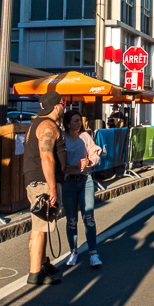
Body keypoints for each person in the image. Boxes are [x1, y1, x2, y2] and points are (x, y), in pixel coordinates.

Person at [23, 91, 67, 285]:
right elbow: (47, 157)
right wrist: (52, 188)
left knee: (39, 224)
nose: (64, 107)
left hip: (36, 180)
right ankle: (35, 273)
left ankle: (42, 262)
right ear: (56, 106)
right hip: (42, 181)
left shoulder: (36, 123)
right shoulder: (48, 126)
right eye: (63, 104)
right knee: (41, 227)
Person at [62, 109, 103, 268]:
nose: (80, 124)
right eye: (76, 121)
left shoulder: (86, 137)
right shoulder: (62, 138)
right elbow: (58, 162)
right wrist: (73, 167)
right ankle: (73, 251)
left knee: (89, 217)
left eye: (80, 121)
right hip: (68, 182)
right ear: (67, 123)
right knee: (71, 219)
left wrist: (90, 161)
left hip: (85, 180)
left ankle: (93, 253)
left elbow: (95, 153)